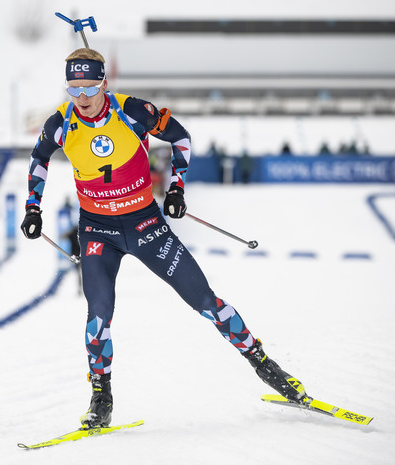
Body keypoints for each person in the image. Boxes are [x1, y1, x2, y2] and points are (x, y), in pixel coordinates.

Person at [20, 48, 307, 429]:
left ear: (104, 83)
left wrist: (176, 189)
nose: (82, 98)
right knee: (98, 318)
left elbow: (181, 138)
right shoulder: (61, 122)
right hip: (98, 231)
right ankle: (101, 399)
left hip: (145, 226)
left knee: (205, 302)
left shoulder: (133, 110)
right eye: (73, 89)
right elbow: (38, 158)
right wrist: (33, 207)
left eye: (89, 86)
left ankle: (266, 366)